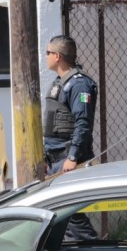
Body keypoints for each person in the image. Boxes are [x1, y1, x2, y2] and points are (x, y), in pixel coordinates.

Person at [43, 35, 98, 175]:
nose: (46, 57)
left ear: (57, 56)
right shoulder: (60, 82)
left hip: (69, 163)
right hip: (55, 163)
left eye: (47, 53)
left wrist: (73, 157)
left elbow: (83, 122)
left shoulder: (79, 84)